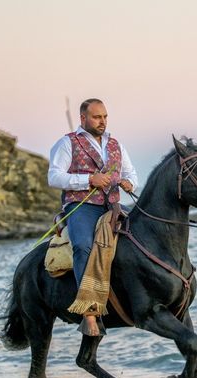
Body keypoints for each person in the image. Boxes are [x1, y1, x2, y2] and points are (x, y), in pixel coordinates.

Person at [48, 98, 138, 336]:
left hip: (114, 204)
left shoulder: (115, 144)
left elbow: (130, 172)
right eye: (97, 117)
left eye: (105, 117)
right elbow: (54, 177)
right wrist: (88, 180)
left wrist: (130, 183)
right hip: (82, 205)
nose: (103, 122)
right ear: (83, 118)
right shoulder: (68, 143)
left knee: (142, 236)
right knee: (83, 246)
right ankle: (88, 313)